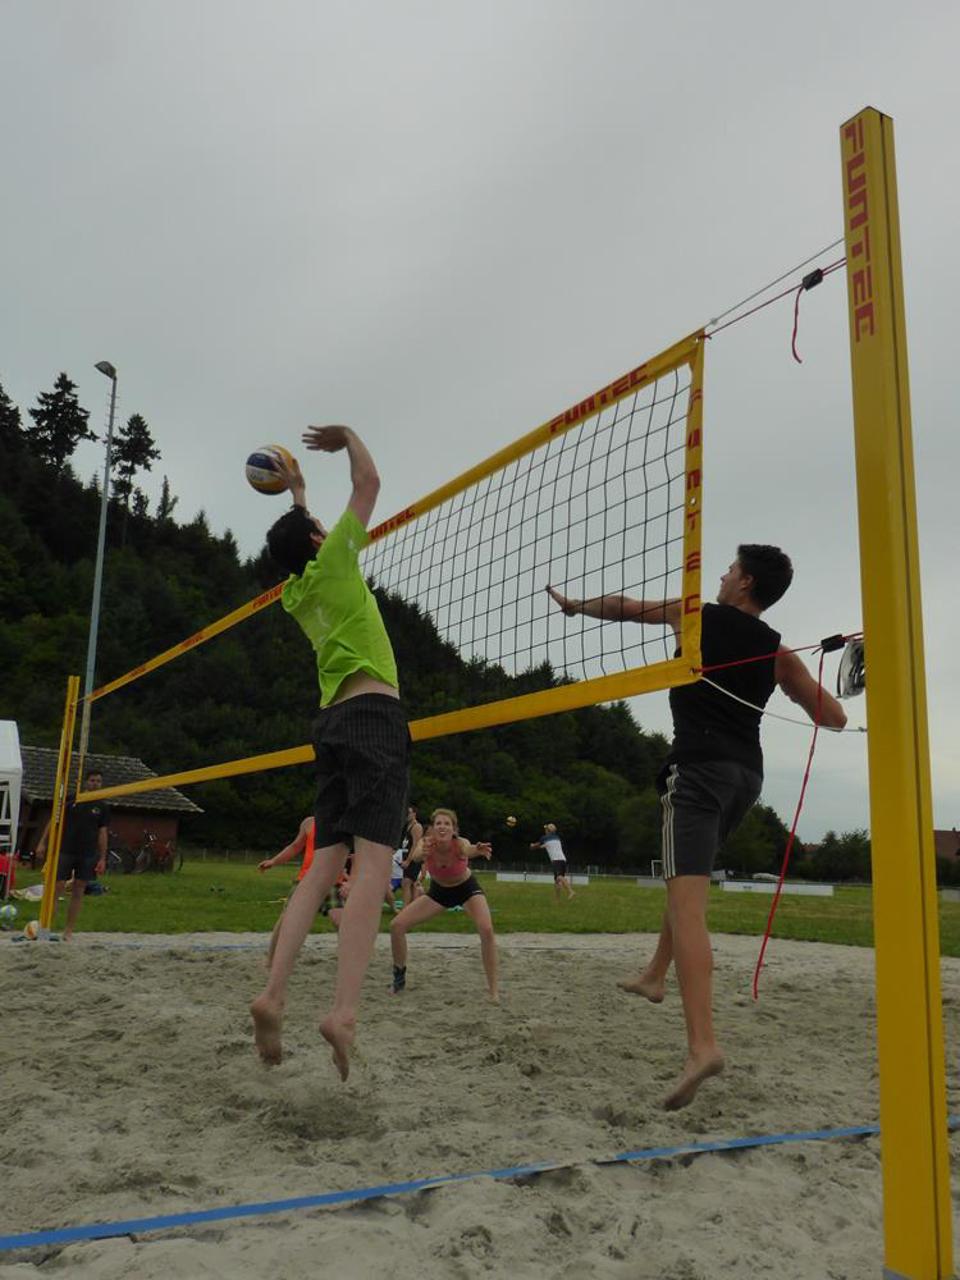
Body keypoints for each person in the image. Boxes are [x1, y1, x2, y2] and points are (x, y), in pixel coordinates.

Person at [547, 545, 847, 1109]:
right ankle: (655, 974)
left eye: (730, 569)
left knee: (689, 908)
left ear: (745, 582)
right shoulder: (780, 652)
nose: (722, 575)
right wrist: (854, 667)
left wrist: (575, 607)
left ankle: (703, 1047)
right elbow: (834, 719)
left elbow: (624, 607)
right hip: (745, 779)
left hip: (699, 772)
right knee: (686, 883)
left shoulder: (696, 616)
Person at [250, 425, 410, 1081]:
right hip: (374, 717)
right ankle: (342, 1012)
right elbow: (369, 483)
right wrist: (348, 436)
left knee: (322, 869)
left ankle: (273, 994)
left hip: (331, 722)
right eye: (318, 527)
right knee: (371, 868)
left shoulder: (296, 592)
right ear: (320, 541)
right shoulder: (337, 559)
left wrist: (297, 493)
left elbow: (299, 540)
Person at [389, 808, 498, 1002]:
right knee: (397, 926)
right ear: (432, 828)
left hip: (466, 889)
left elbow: (469, 849)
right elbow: (416, 855)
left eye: (447, 824)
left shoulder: (460, 843)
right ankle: (399, 978)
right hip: (439, 892)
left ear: (454, 829)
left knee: (487, 929)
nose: (442, 827)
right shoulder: (426, 843)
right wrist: (421, 852)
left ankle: (493, 991)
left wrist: (477, 850)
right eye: (438, 823)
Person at [35, 769, 110, 941]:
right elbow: (53, 820)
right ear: (85, 782)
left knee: (78, 890)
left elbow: (103, 833)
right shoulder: (71, 799)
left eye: (98, 781)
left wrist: (102, 858)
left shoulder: (103, 807)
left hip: (87, 853)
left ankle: (68, 931)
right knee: (57, 887)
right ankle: (46, 927)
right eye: (92, 780)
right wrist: (42, 842)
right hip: (65, 849)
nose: (95, 784)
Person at [257, 816, 315, 970]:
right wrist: (274, 861)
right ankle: (271, 960)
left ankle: (351, 962)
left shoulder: (344, 821)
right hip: (306, 879)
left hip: (336, 881)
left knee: (340, 919)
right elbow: (295, 846)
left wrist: (350, 880)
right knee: (287, 918)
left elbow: (354, 853)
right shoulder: (309, 823)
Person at [529, 823, 575, 900]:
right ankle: (557, 900)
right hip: (563, 860)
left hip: (556, 860)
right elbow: (545, 846)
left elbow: (536, 846)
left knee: (559, 877)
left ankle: (571, 891)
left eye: (546, 829)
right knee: (557, 881)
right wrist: (536, 846)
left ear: (548, 831)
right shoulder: (557, 838)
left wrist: (532, 845)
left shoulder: (544, 837)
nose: (545, 830)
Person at [398, 804, 425, 906]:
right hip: (407, 857)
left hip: (413, 859)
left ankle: (405, 908)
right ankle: (415, 906)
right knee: (411, 884)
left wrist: (408, 861)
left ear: (414, 814)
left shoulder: (416, 826)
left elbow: (415, 844)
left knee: (406, 882)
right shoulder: (407, 826)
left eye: (408, 813)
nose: (406, 815)